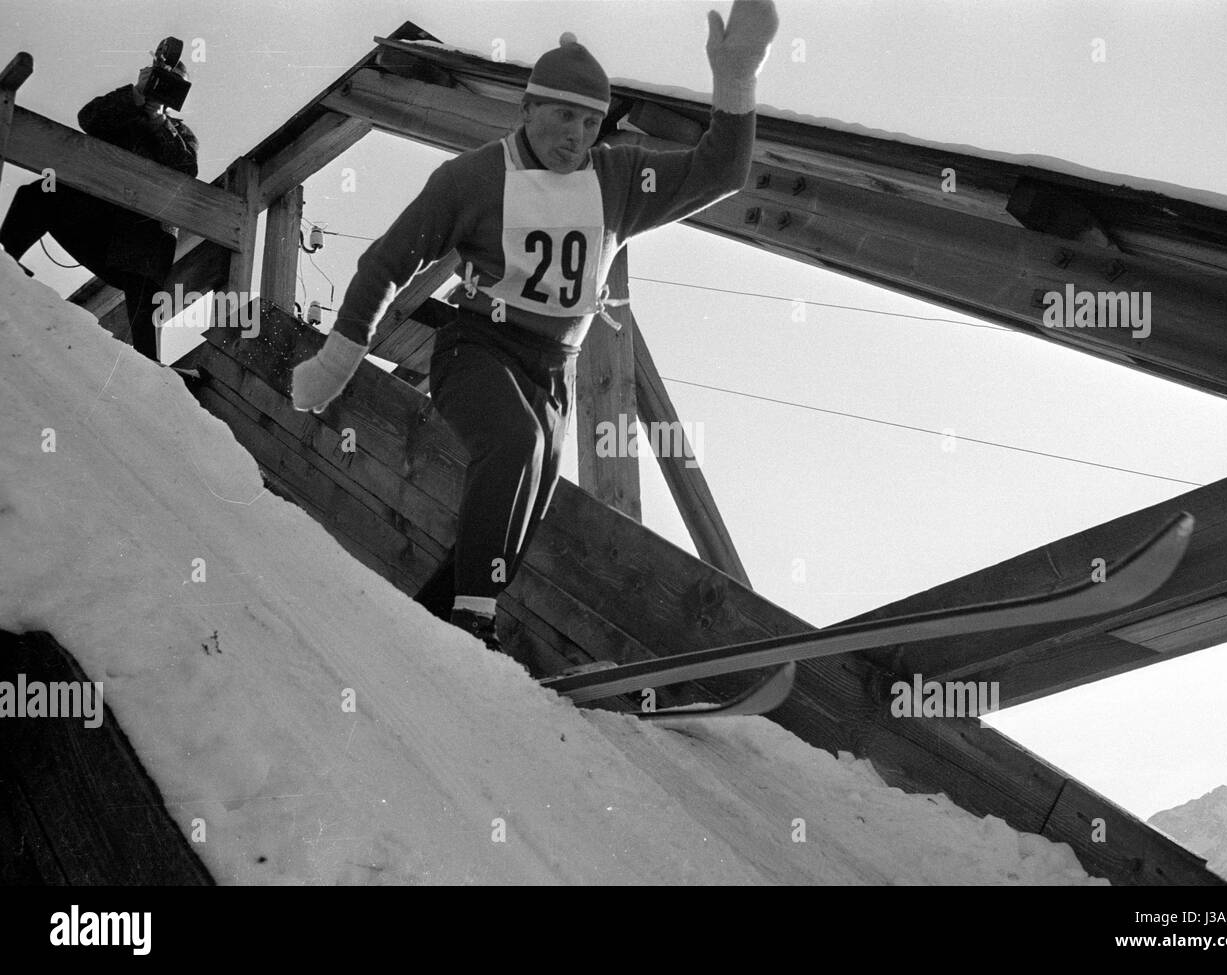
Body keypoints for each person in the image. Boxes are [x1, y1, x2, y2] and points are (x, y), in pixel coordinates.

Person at [292, 1, 779, 654]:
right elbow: (387, 260)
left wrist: (737, 80)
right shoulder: (473, 178)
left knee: (525, 511)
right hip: (479, 350)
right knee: (513, 443)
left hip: (557, 371)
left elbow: (720, 172)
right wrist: (339, 355)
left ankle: (435, 624)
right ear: (527, 110)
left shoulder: (620, 178)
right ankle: (472, 621)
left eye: (588, 121)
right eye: (562, 117)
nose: (575, 135)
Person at [0, 42, 198, 362]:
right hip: (96, 222)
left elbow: (187, 168)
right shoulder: (121, 113)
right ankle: (5, 266)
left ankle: (149, 362)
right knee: (39, 194)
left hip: (138, 240)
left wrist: (161, 127)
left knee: (143, 283)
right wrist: (134, 97)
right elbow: (88, 117)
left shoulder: (180, 133)